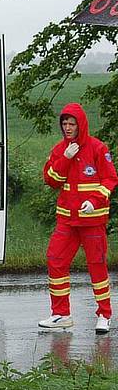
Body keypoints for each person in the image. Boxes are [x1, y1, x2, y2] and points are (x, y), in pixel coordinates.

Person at [39, 103, 117, 334]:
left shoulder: (97, 148)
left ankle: (104, 314)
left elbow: (110, 180)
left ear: (80, 125)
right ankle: (61, 314)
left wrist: (94, 202)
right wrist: (65, 158)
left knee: (97, 266)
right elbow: (51, 179)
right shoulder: (60, 149)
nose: (68, 127)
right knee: (55, 260)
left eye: (72, 123)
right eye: (64, 123)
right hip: (67, 220)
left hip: (92, 221)